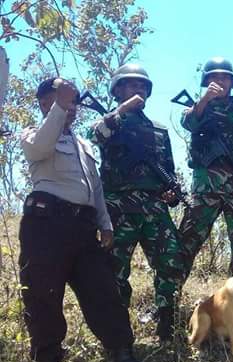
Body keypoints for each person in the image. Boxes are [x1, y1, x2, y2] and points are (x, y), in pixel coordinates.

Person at [19, 77, 158, 362]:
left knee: (104, 292)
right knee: (44, 298)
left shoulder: (82, 145)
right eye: (59, 101)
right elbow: (40, 147)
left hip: (84, 227)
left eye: (71, 103)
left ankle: (122, 358)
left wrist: (105, 224)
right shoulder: (34, 134)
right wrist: (59, 106)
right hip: (46, 223)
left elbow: (94, 188)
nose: (69, 108)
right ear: (44, 104)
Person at [90, 64, 185, 341]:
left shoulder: (158, 130)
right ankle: (119, 336)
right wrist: (121, 111)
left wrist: (171, 193)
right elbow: (95, 135)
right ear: (117, 90)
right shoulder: (109, 122)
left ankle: (167, 325)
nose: (138, 89)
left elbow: (168, 169)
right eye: (131, 84)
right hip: (119, 210)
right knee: (115, 271)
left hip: (154, 209)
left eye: (142, 85)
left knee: (170, 264)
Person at [178, 57, 233, 277]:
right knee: (185, 244)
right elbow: (189, 123)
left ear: (232, 81)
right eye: (214, 77)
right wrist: (205, 99)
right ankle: (167, 303)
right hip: (204, 191)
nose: (220, 81)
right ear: (206, 81)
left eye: (225, 77)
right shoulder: (196, 110)